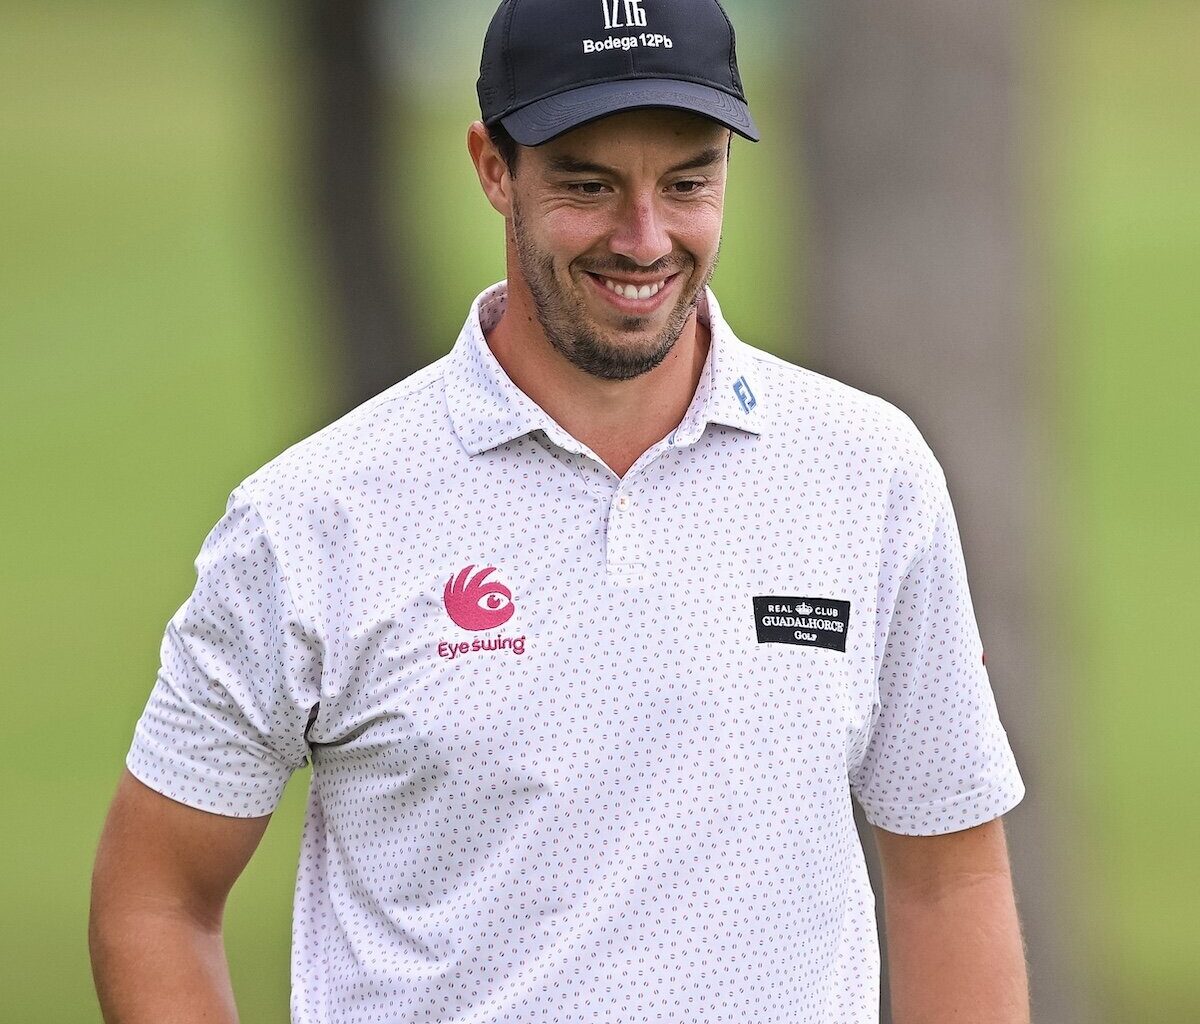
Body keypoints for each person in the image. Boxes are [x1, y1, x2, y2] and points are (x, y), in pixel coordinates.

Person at [89, 1, 1030, 1022]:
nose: (645, 237)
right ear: (494, 167)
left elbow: (950, 872)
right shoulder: (312, 517)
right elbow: (156, 894)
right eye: (589, 185)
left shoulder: (868, 474)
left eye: (688, 183)